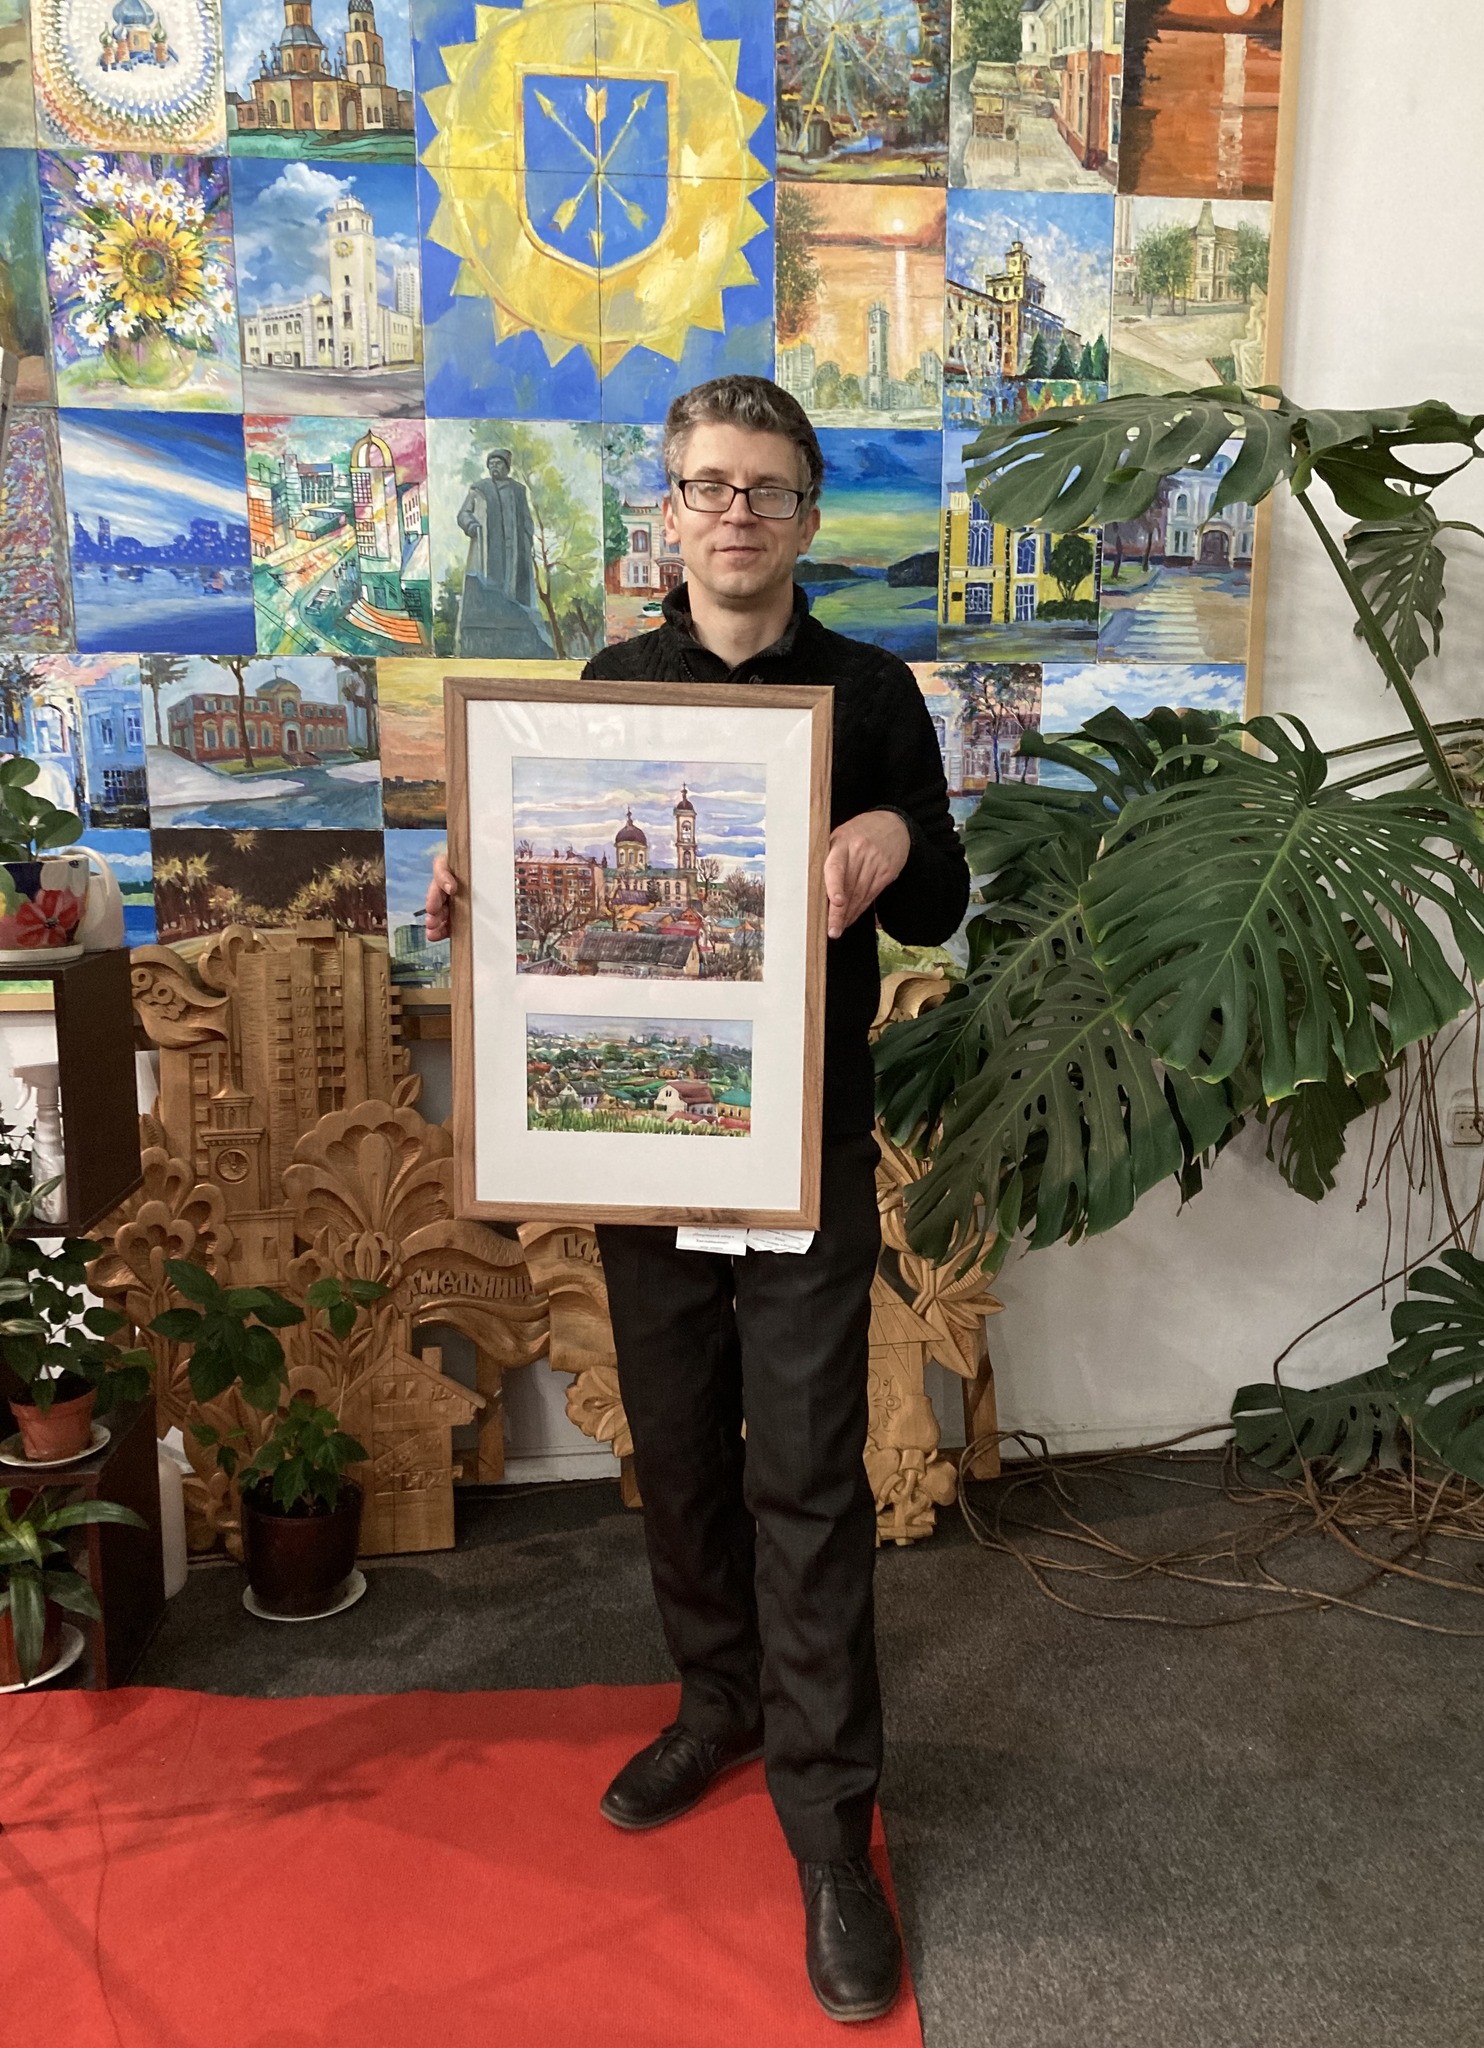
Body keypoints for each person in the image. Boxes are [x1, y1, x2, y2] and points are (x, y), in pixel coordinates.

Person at [427, 376, 969, 2024]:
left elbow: (939, 894)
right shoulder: (614, 688)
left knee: (804, 1469)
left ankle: (831, 1821)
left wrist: (886, 836)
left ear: (808, 514)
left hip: (798, 1149)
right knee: (672, 1445)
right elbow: (549, 888)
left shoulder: (870, 690)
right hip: (645, 1153)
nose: (737, 513)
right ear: (667, 514)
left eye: (768, 488)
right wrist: (475, 879)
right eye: (708, 487)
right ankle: (717, 1696)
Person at [454, 448, 552, 657]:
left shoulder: (518, 490)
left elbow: (526, 518)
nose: (494, 467)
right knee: (490, 586)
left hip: (514, 551)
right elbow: (463, 513)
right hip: (489, 549)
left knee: (514, 588)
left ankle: (515, 620)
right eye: (491, 464)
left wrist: (527, 538)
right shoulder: (479, 489)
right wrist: (471, 525)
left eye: (498, 463)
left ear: (507, 467)